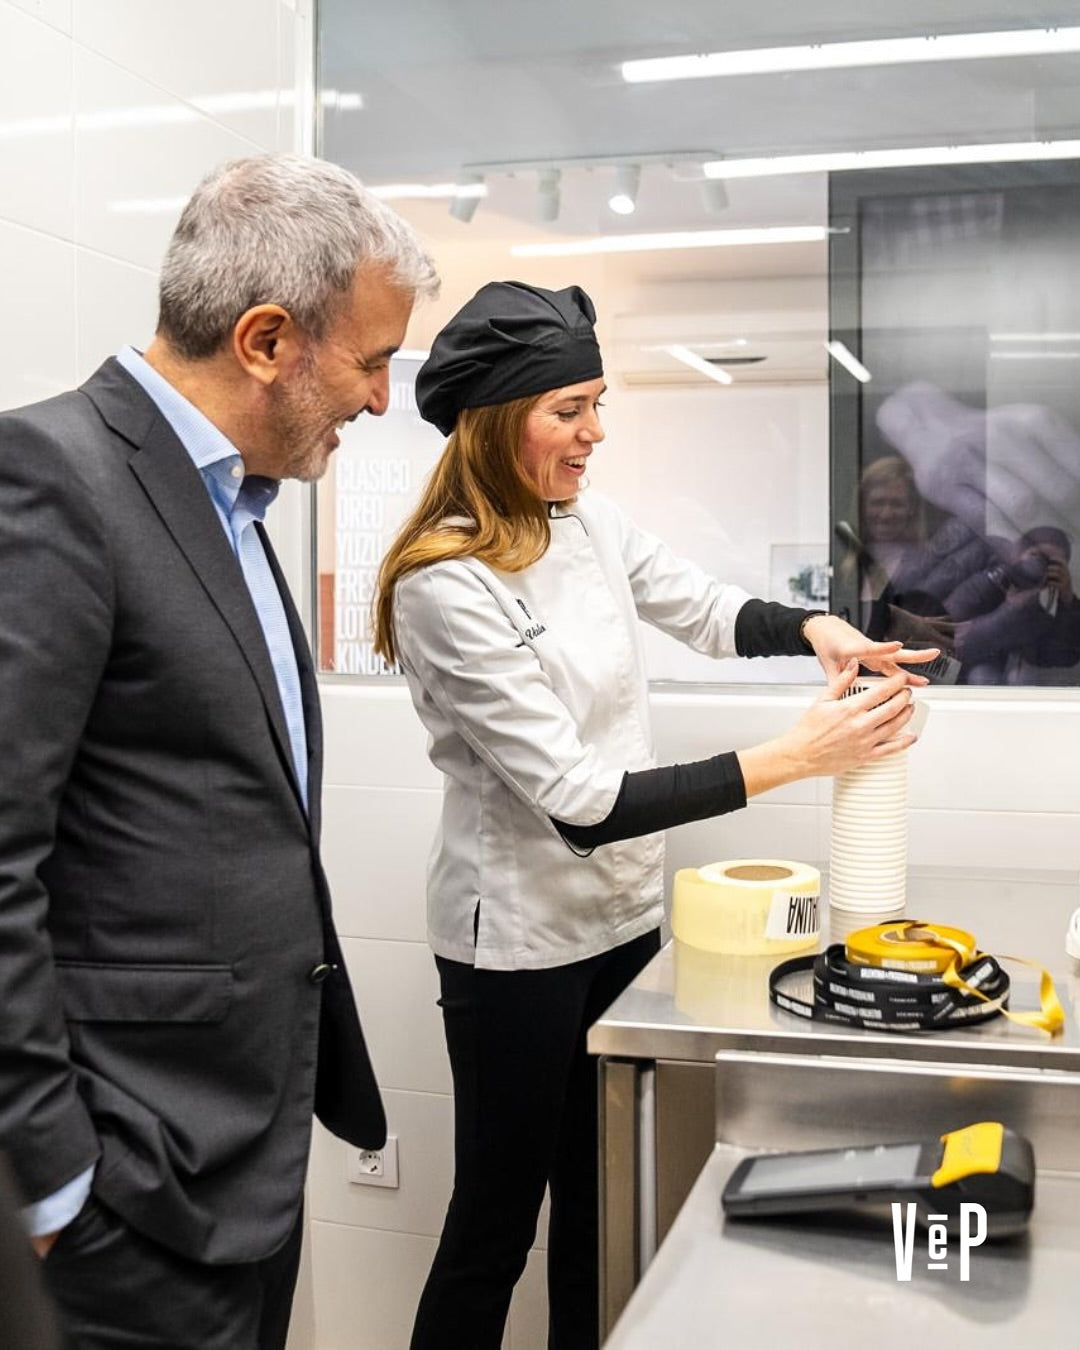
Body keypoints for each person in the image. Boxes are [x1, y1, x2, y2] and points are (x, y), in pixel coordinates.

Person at [370, 281, 937, 1350]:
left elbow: (706, 609)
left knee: (603, 1209)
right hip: (519, 945)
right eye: (569, 409)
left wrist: (816, 626)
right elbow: (580, 808)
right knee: (496, 1225)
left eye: (597, 402)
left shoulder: (586, 520)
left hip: (624, 923)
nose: (594, 432)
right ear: (497, 421)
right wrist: (795, 758)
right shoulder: (445, 584)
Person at [0, 152, 438, 1349]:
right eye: (372, 361)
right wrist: (52, 1186)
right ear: (264, 342)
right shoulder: (52, 479)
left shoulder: (234, 505)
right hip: (126, 1185)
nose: (380, 400)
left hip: (241, 1151)